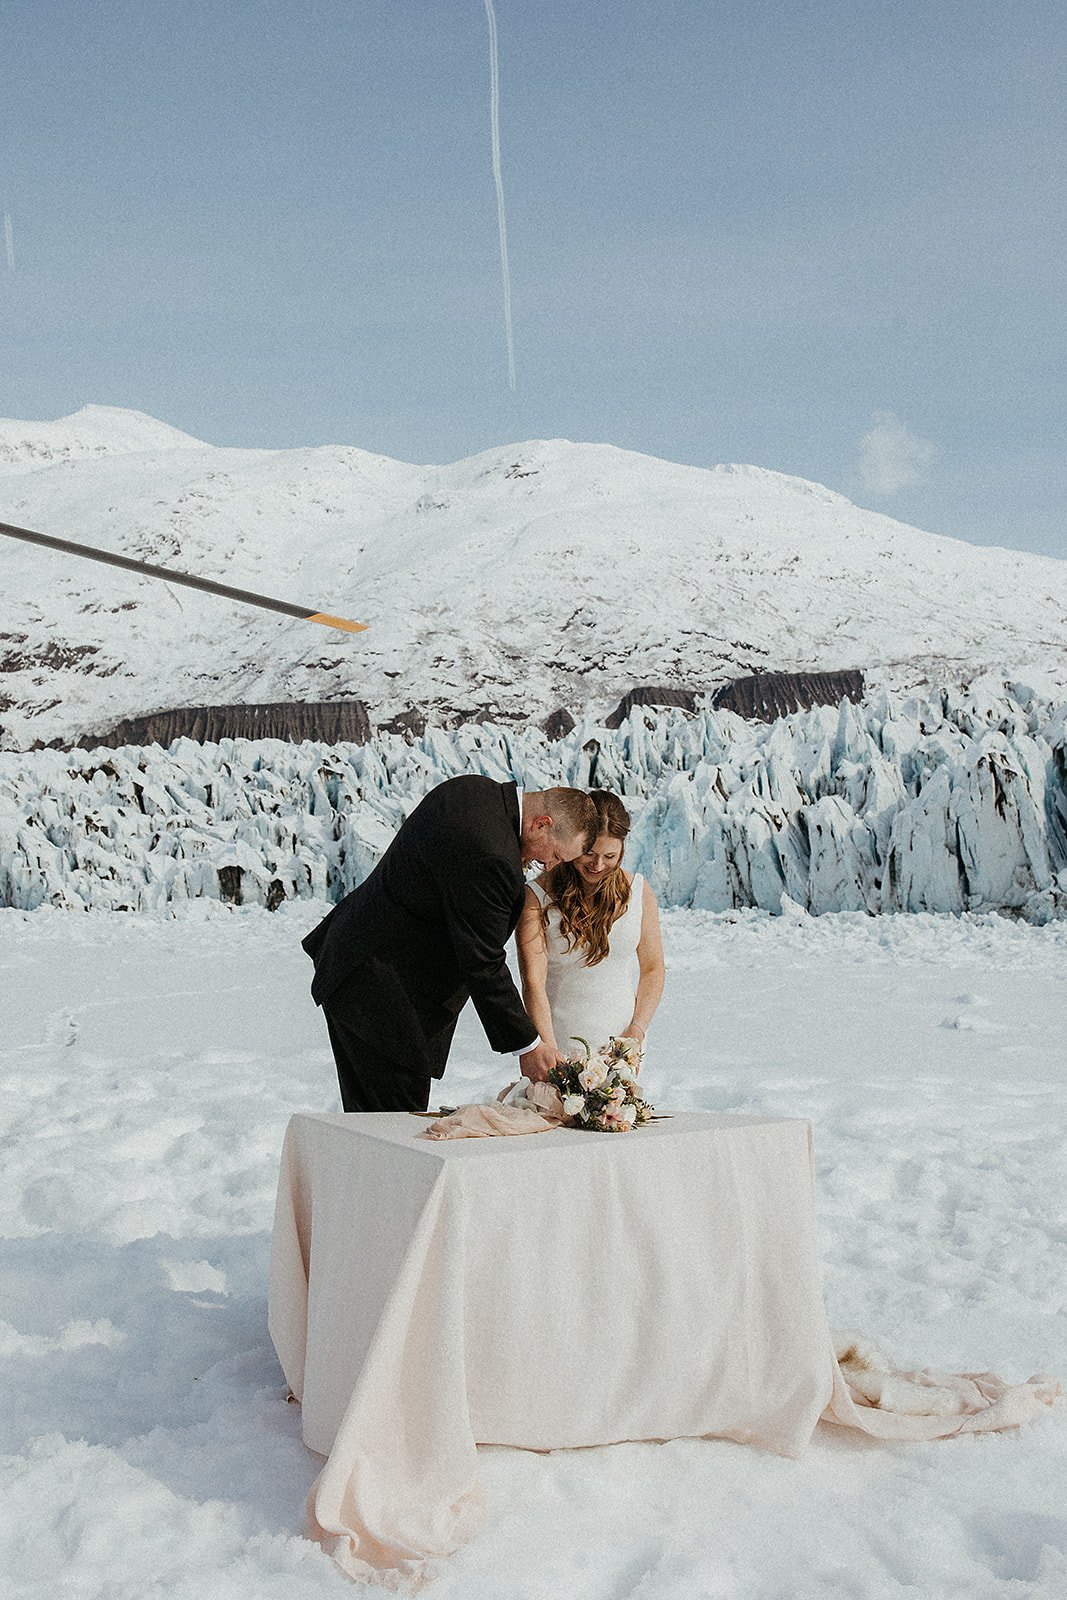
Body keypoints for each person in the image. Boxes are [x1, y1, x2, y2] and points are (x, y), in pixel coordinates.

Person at [301, 777, 597, 1112]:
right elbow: (483, 960)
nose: (551, 865)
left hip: (358, 968)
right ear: (541, 824)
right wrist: (527, 1046)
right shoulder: (492, 855)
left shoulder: (476, 790)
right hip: (386, 1002)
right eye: (556, 854)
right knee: (391, 1138)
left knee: (369, 1131)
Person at [516, 790, 664, 1065]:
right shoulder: (535, 897)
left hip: (623, 1045)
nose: (597, 865)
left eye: (609, 855)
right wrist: (547, 1048)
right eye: (590, 853)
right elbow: (533, 983)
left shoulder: (639, 892)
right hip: (557, 1043)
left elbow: (653, 968)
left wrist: (638, 1030)